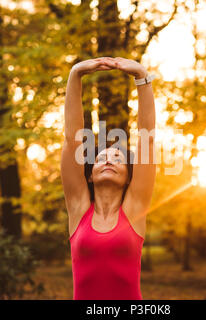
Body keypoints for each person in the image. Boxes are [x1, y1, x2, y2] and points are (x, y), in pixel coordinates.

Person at [61, 57, 156, 300]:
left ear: (128, 178)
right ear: (90, 176)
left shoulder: (134, 209)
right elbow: (72, 137)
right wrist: (76, 73)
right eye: (101, 157)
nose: (108, 159)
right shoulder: (78, 209)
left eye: (118, 157)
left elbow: (147, 139)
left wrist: (141, 77)